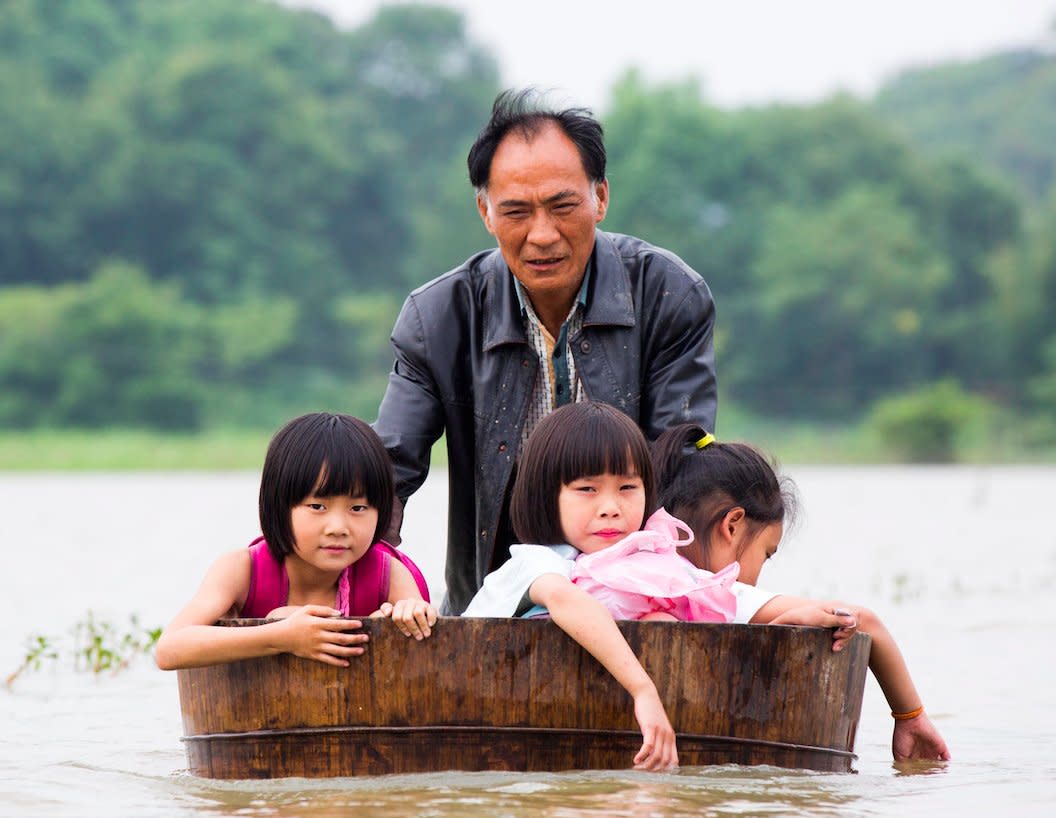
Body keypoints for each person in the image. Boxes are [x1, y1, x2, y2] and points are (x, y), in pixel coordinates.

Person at [374, 88, 717, 615]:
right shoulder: (438, 317)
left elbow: (683, 464)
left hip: (639, 604)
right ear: (485, 212)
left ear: (601, 197)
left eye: (562, 206)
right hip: (495, 606)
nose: (542, 235)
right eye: (516, 211)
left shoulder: (668, 294)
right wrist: (346, 577)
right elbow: (384, 474)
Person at [651, 423, 952, 762]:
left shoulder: (627, 568)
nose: (759, 573)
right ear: (732, 525)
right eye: (766, 553)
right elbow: (865, 622)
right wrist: (910, 717)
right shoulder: (708, 591)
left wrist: (778, 623)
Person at [462, 402, 682, 770]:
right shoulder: (533, 563)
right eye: (587, 489)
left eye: (627, 487)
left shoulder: (641, 563)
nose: (611, 507)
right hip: (503, 726)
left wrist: (793, 609)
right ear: (546, 497)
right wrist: (643, 689)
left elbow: (709, 593)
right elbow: (565, 599)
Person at [156, 413, 438, 671]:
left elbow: (425, 655)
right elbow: (170, 649)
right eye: (317, 506)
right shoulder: (242, 569)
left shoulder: (388, 573)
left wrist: (397, 620)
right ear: (280, 507)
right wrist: (283, 636)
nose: (338, 528)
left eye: (358, 508)